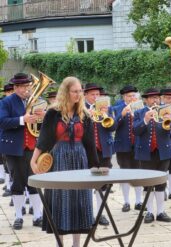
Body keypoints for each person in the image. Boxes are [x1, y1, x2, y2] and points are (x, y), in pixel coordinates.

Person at [30, 76, 100, 247]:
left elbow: (90, 144)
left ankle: (77, 244)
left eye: (80, 91)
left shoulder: (85, 114)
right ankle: (58, 243)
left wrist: (96, 168)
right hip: (59, 159)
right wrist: (33, 161)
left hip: (80, 159)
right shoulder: (53, 113)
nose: (78, 94)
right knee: (58, 199)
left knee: (79, 199)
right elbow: (44, 139)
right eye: (75, 91)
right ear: (66, 92)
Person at [0, 73, 44, 230]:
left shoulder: (35, 101)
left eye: (28, 86)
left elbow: (41, 126)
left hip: (33, 148)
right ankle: (18, 216)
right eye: (25, 87)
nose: (28, 89)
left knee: (34, 182)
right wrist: (22, 120)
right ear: (16, 87)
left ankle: (37, 215)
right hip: (14, 148)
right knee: (18, 183)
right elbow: (2, 122)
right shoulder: (7, 102)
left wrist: (43, 117)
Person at [133, 88, 171, 223]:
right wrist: (145, 120)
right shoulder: (140, 113)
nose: (155, 100)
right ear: (146, 100)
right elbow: (136, 131)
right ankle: (150, 211)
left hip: (164, 151)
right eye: (152, 98)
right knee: (148, 184)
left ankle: (161, 211)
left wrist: (170, 121)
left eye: (157, 97)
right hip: (146, 153)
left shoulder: (166, 111)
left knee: (161, 182)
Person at [84, 83, 116, 226]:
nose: (96, 97)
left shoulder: (107, 108)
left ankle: (100, 213)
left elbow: (113, 127)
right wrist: (86, 116)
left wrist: (105, 114)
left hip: (104, 150)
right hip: (87, 150)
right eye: (92, 95)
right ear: (85, 95)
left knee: (103, 183)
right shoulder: (80, 108)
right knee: (86, 182)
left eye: (98, 94)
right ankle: (87, 213)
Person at [112, 85, 144, 212]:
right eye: (129, 96)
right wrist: (122, 114)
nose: (132, 98)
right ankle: (125, 202)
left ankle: (138, 201)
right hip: (122, 145)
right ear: (124, 97)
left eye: (134, 96)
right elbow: (113, 126)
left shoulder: (140, 107)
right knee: (124, 174)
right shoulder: (116, 108)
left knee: (138, 173)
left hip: (137, 144)